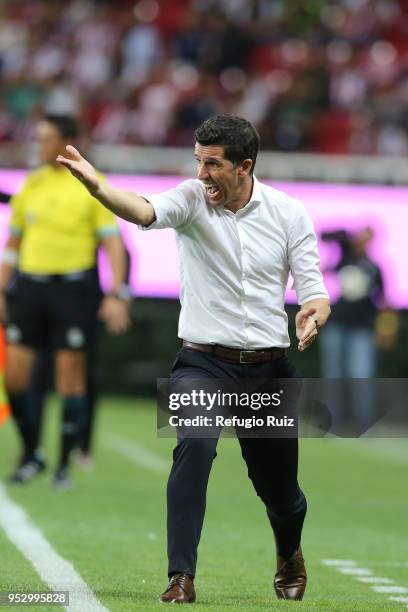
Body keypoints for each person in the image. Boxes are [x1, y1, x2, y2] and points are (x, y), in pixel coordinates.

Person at [57, 114, 330, 602]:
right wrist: (98, 187)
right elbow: (142, 210)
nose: (202, 174)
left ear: (244, 167)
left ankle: (289, 551)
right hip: (202, 362)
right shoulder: (190, 199)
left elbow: (314, 290)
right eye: (198, 161)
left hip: (268, 369)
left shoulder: (289, 213)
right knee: (195, 447)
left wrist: (314, 310)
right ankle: (181, 575)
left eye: (213, 164)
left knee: (280, 490)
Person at [0, 114, 130, 489]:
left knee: (70, 380)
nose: (38, 145)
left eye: (45, 139)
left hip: (73, 292)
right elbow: (13, 243)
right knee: (15, 380)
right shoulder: (31, 185)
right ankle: (33, 453)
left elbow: (112, 243)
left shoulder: (92, 184)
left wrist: (117, 292)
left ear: (67, 142)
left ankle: (62, 467)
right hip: (30, 289)